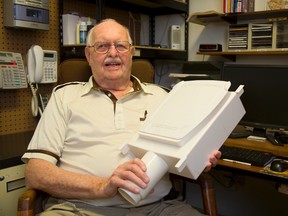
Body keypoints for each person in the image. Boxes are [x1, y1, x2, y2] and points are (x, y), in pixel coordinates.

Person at [22, 19, 221, 216]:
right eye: (102, 46)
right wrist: (103, 186)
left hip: (159, 209)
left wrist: (198, 158)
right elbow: (36, 173)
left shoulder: (162, 97)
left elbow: (180, 155)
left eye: (120, 46)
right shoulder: (64, 97)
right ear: (89, 55)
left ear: (131, 53)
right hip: (79, 208)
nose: (113, 53)